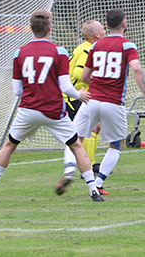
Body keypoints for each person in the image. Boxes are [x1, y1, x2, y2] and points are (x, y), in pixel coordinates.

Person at [0, 10, 102, 204]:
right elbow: (65, 86)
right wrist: (79, 95)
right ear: (50, 29)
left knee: (9, 145)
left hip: (28, 110)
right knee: (76, 145)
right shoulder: (59, 51)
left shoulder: (19, 52)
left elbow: (17, 90)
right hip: (53, 111)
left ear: (31, 29)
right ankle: (93, 191)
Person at [73, 9, 145, 195]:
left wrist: (98, 84)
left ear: (107, 25)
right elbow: (136, 68)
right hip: (113, 102)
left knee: (76, 139)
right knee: (117, 144)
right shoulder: (128, 45)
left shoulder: (95, 46)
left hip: (92, 100)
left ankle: (69, 171)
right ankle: (98, 182)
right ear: (124, 23)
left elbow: (85, 76)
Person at [57, 20, 106, 194]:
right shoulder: (87, 49)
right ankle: (89, 167)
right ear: (97, 35)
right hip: (75, 96)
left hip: (81, 96)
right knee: (88, 130)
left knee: (94, 128)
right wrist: (100, 83)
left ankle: (86, 164)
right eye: (103, 29)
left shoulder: (89, 48)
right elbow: (79, 72)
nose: (105, 31)